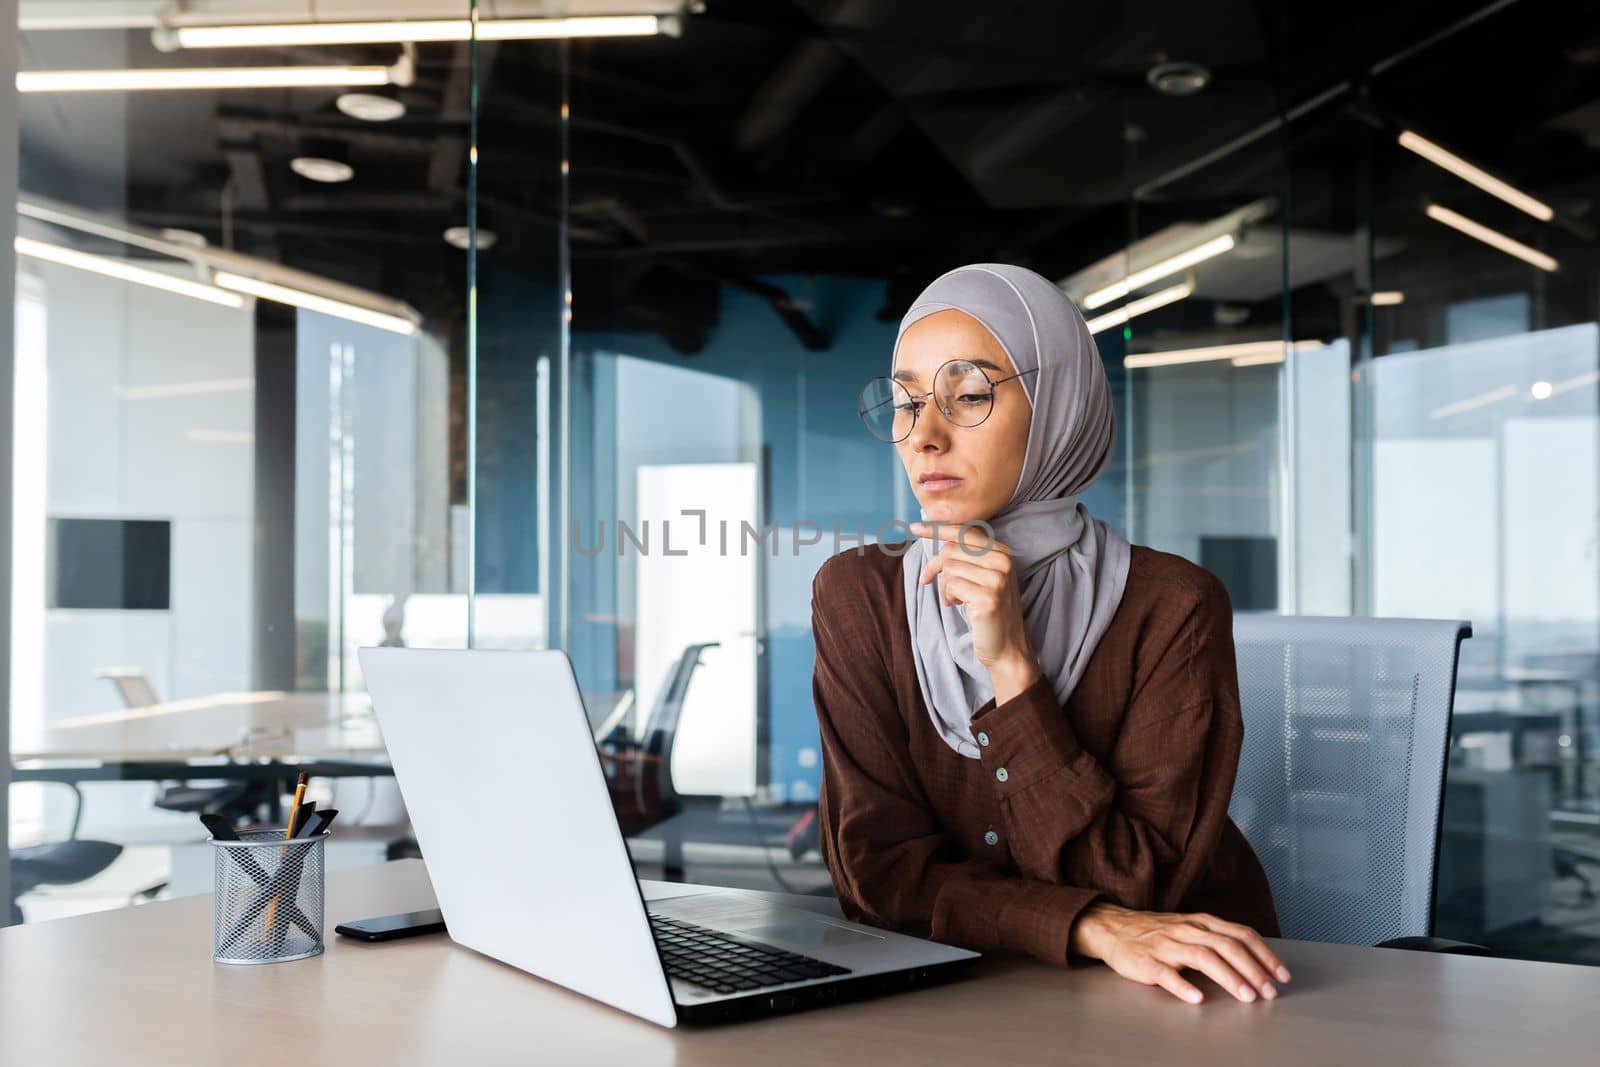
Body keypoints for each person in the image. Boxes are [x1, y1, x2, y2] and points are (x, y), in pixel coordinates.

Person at [810, 263, 1286, 1005]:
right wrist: (1091, 926)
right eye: (905, 403)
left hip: (1183, 1000)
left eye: (967, 395)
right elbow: (879, 879)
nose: (924, 436)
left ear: (1057, 404)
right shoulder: (858, 598)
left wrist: (1011, 664)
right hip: (963, 1004)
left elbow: (1141, 887)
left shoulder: (1174, 607)